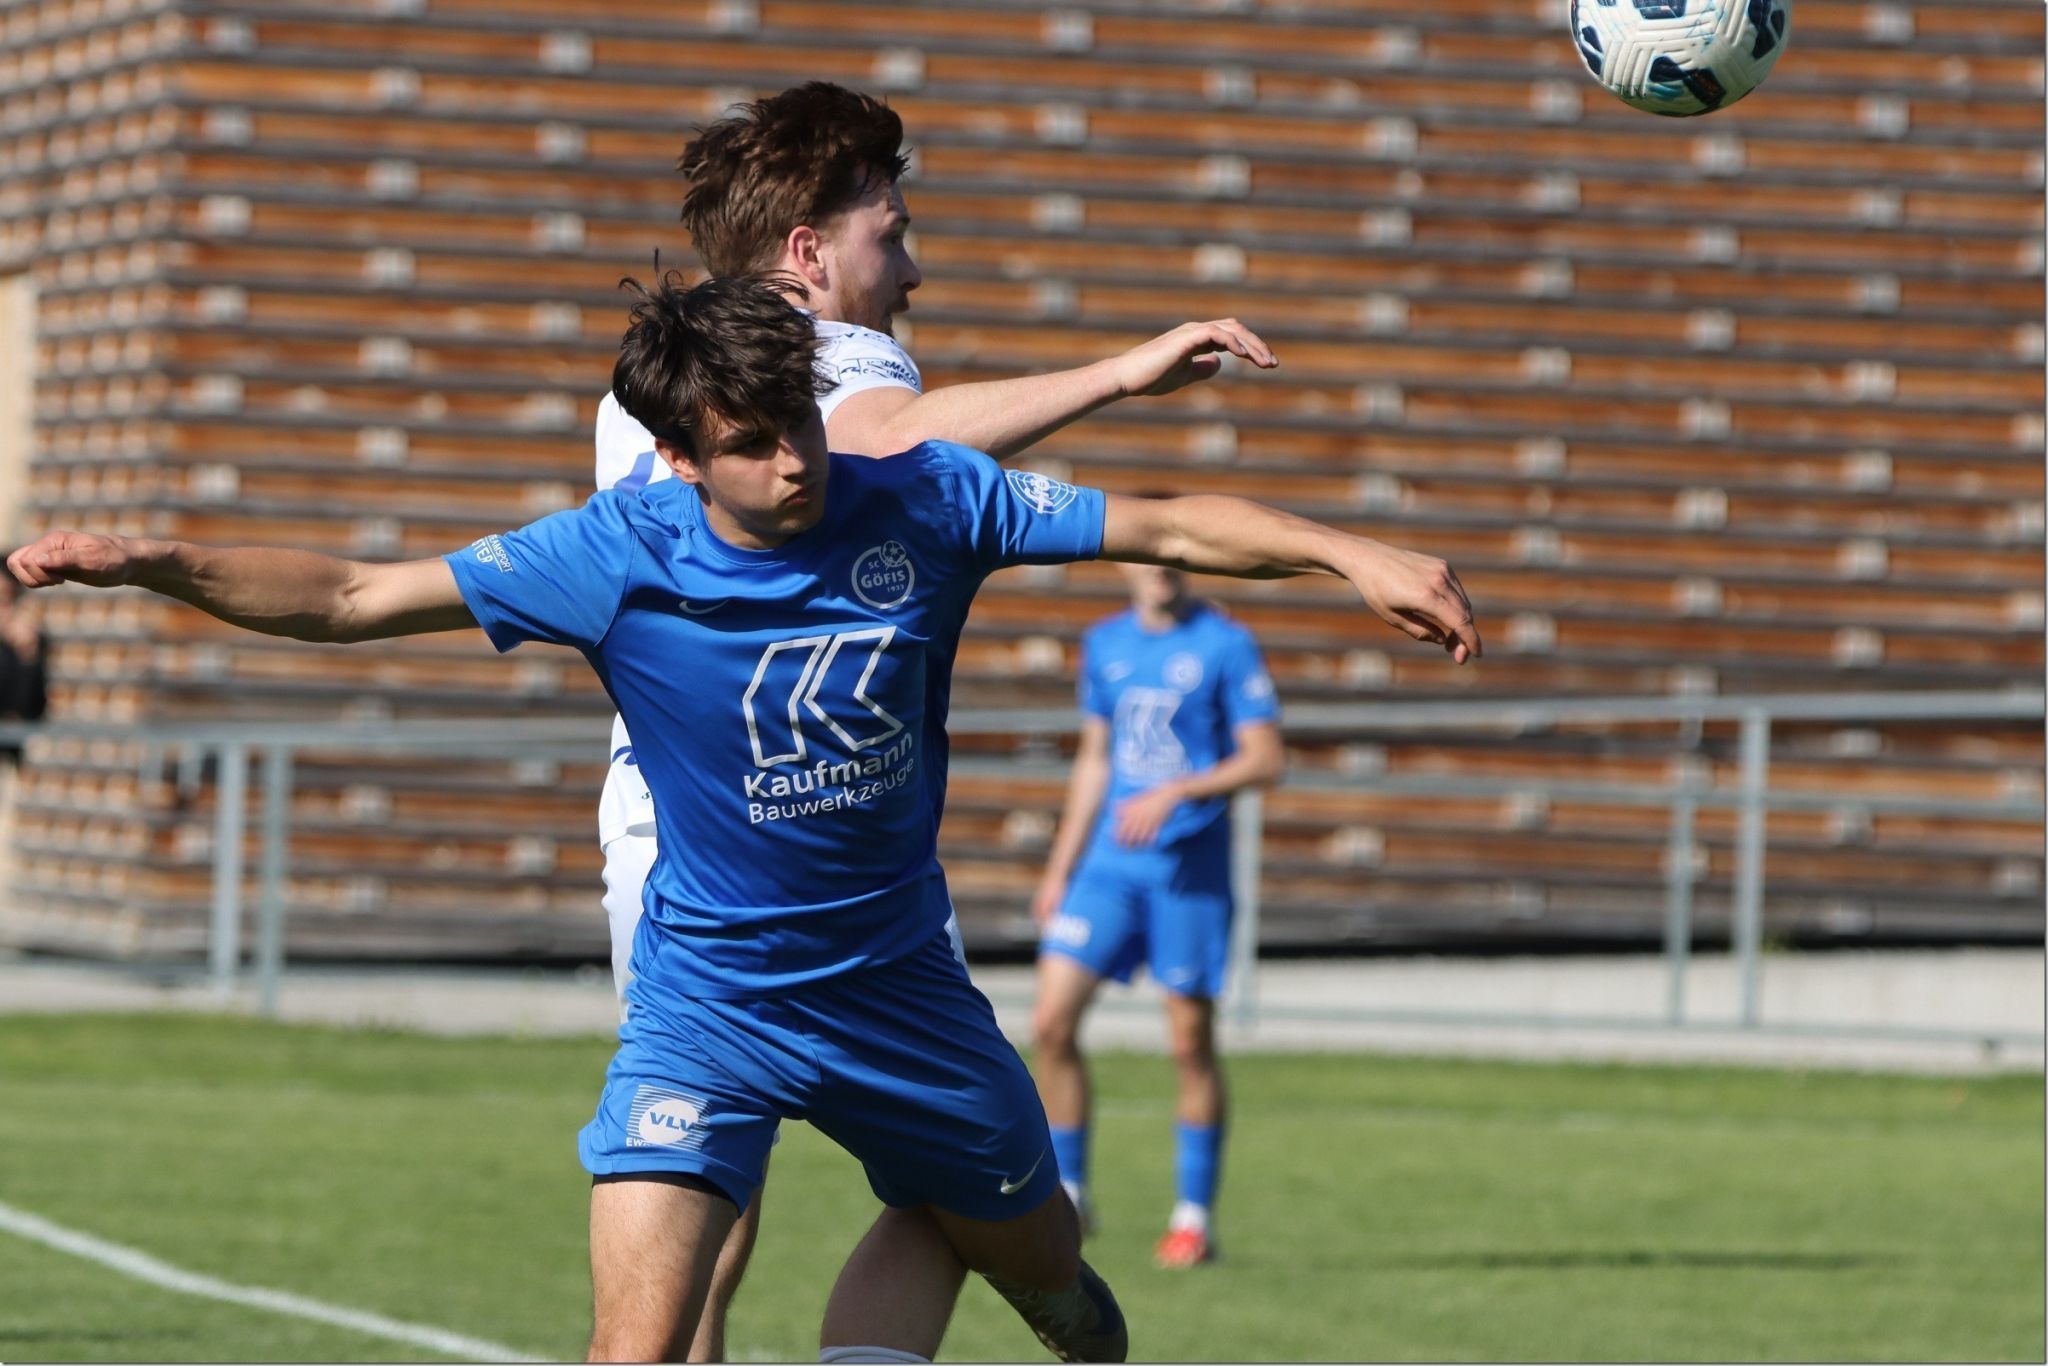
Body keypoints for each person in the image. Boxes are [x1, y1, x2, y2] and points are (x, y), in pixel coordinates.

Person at [7, 275, 1480, 1363]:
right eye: (756, 440)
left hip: (902, 992)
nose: (796, 460)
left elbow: (1162, 520)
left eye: (800, 427)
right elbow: (344, 597)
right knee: (632, 1352)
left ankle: (1065, 1298)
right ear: (679, 456)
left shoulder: (927, 498)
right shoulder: (612, 553)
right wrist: (157, 561)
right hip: (708, 999)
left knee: (1061, 1297)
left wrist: (1349, 551)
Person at [594, 82, 1285, 1355]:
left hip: (664, 835)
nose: (910, 268)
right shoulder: (822, 370)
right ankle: (1061, 1294)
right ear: (808, 252)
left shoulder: (665, 376)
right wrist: (1121, 373)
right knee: (938, 1167)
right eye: (892, 232)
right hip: (807, 845)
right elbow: (889, 437)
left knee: (698, 1181)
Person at [1029, 557, 1282, 1269]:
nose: (1161, 570)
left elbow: (1266, 759)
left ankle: (1193, 1217)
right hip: (1109, 868)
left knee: (1188, 1044)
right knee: (1051, 1023)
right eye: (1148, 558)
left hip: (1187, 871)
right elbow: (1096, 759)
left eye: (1175, 559)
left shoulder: (1225, 643)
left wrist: (1179, 792)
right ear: (1124, 566)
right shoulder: (1105, 641)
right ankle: (1071, 1192)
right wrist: (1060, 867)